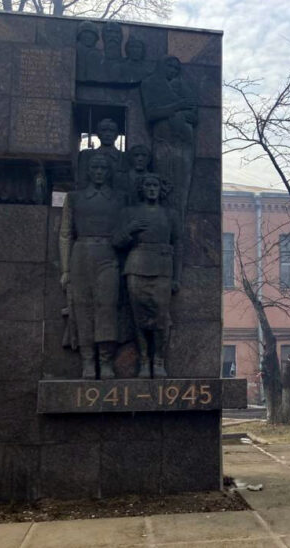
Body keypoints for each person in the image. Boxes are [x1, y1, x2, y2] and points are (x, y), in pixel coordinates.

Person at [59, 152, 145, 379]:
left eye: (103, 168)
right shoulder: (75, 198)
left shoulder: (120, 198)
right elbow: (66, 234)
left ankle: (106, 361)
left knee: (107, 308)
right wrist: (66, 269)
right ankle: (88, 361)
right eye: (95, 168)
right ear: (88, 171)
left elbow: (127, 233)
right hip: (81, 254)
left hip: (108, 255)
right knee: (83, 309)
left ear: (109, 172)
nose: (98, 172)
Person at [120, 173, 182, 378]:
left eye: (155, 185)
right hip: (137, 267)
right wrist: (130, 229)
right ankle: (144, 360)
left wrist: (176, 277)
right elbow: (116, 241)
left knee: (161, 317)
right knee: (139, 318)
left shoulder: (170, 214)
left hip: (162, 269)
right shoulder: (131, 212)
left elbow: (179, 245)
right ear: (142, 188)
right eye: (148, 185)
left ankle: (159, 360)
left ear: (161, 188)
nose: (152, 188)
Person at [140, 56, 197, 224]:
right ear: (160, 66)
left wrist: (179, 114)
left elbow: (194, 116)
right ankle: (163, 227)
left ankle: (178, 227)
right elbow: (151, 114)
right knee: (163, 188)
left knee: (182, 189)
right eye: (169, 66)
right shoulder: (149, 83)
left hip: (184, 143)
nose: (172, 70)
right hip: (163, 142)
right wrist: (178, 107)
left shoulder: (185, 87)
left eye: (176, 68)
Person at [77, 118, 126, 190]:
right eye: (104, 130)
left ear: (116, 134)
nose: (108, 134)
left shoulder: (123, 157)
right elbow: (82, 182)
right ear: (98, 134)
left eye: (111, 131)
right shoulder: (87, 155)